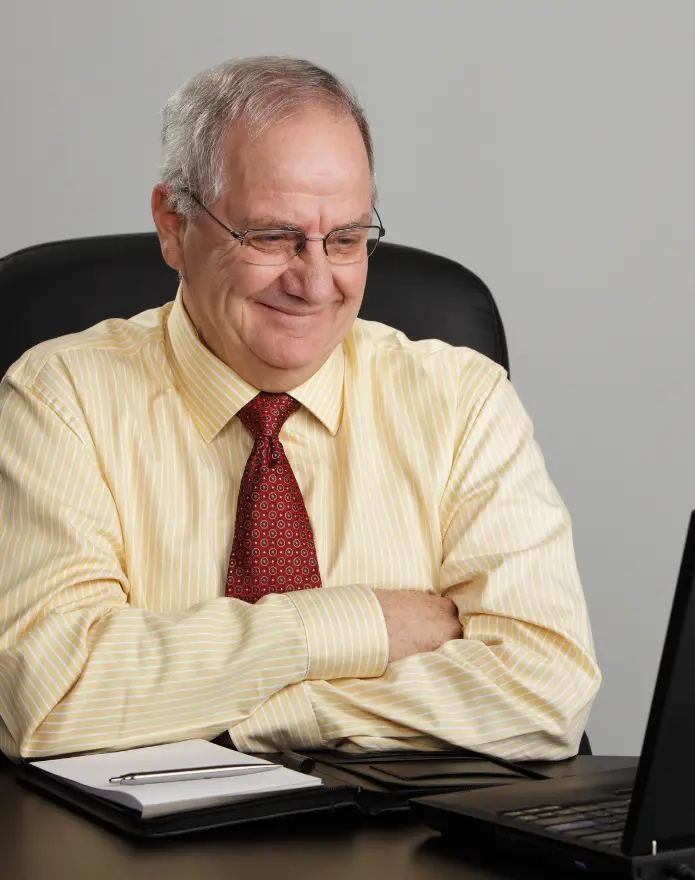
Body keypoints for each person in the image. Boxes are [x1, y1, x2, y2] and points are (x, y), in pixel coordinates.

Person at [0, 56, 599, 762]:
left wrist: (237, 715)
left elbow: (545, 690)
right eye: (272, 237)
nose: (315, 282)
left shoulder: (462, 399)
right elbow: (51, 692)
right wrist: (357, 625)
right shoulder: (61, 398)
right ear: (173, 225)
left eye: (345, 239)